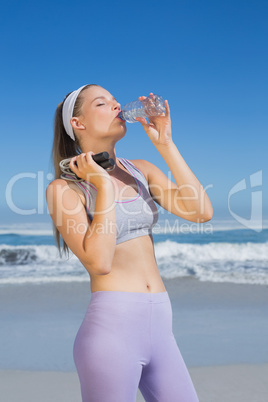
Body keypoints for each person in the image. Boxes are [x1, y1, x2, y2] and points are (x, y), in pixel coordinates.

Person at [46, 84, 213, 402]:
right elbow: (99, 262)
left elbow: (200, 211)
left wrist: (165, 145)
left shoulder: (141, 170)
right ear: (78, 123)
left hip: (162, 327)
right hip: (111, 334)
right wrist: (102, 185)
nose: (116, 105)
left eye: (114, 100)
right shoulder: (64, 190)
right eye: (102, 103)